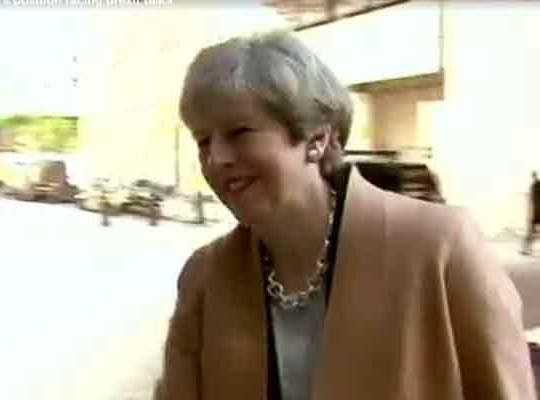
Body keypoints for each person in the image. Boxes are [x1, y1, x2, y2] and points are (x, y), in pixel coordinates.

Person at [153, 31, 535, 400]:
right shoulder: (204, 277)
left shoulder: (440, 247)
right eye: (204, 141)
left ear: (317, 139)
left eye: (239, 132)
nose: (216, 158)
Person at [522, 171, 540, 255]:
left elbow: (533, 199)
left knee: (531, 232)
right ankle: (527, 248)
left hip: (536, 213)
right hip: (536, 213)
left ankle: (526, 249)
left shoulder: (535, 186)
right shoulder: (535, 186)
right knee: (531, 232)